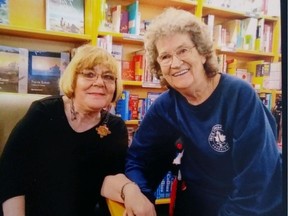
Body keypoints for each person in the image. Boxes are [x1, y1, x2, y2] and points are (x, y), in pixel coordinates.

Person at [101, 7, 283, 216]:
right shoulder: (166, 106)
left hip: (250, 206)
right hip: (196, 202)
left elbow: (256, 183)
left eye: (183, 51)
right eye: (166, 56)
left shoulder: (238, 95)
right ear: (158, 66)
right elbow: (138, 160)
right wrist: (138, 194)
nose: (176, 63)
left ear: (203, 53)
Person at [0, 44, 129, 216]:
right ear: (73, 80)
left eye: (108, 77)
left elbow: (113, 180)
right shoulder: (43, 112)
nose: (99, 83)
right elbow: (11, 175)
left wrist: (130, 190)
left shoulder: (116, 128)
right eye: (89, 74)